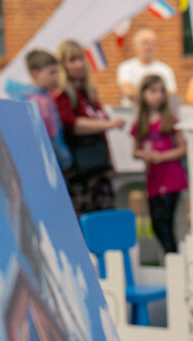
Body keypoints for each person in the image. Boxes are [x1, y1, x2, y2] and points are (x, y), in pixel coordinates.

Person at [55, 39, 125, 215]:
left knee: (105, 218)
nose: (78, 64)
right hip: (79, 169)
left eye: (80, 59)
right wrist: (108, 124)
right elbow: (71, 124)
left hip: (99, 166)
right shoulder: (63, 94)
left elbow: (101, 131)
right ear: (62, 64)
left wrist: (110, 161)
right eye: (72, 60)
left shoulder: (89, 93)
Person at [131, 74, 188, 254]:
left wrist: (161, 156)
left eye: (161, 91)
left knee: (167, 222)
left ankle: (173, 260)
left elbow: (182, 148)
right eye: (153, 91)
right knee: (156, 223)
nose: (158, 95)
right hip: (154, 177)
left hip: (171, 175)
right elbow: (135, 150)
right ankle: (171, 259)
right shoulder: (140, 122)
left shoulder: (170, 119)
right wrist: (146, 155)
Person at [15, 49, 72, 172]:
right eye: (51, 73)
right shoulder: (34, 101)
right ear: (35, 74)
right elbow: (43, 136)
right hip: (49, 163)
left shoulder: (46, 96)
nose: (56, 76)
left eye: (57, 72)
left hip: (58, 160)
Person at [116, 28, 177, 107]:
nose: (148, 47)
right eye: (144, 43)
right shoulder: (126, 67)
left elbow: (171, 94)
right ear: (135, 46)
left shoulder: (165, 69)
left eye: (152, 43)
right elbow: (128, 92)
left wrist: (140, 92)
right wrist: (157, 94)